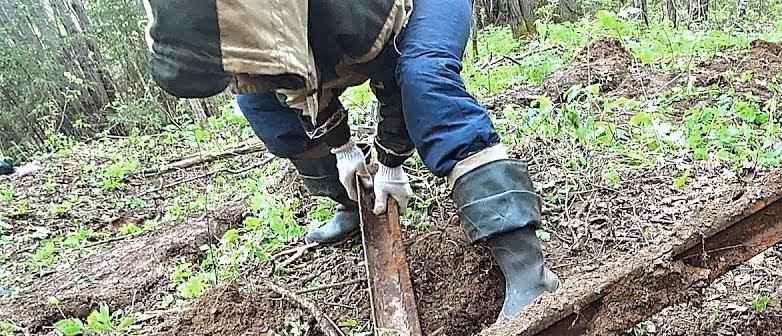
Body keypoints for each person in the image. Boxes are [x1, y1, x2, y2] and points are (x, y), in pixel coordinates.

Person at [143, 0, 559, 319]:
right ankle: (352, 203)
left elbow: (394, 78)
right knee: (259, 106)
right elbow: (287, 83)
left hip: (410, 11)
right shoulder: (238, 28)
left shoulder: (355, 12)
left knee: (424, 80)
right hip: (326, 37)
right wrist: (342, 149)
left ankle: (525, 266)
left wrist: (391, 161)